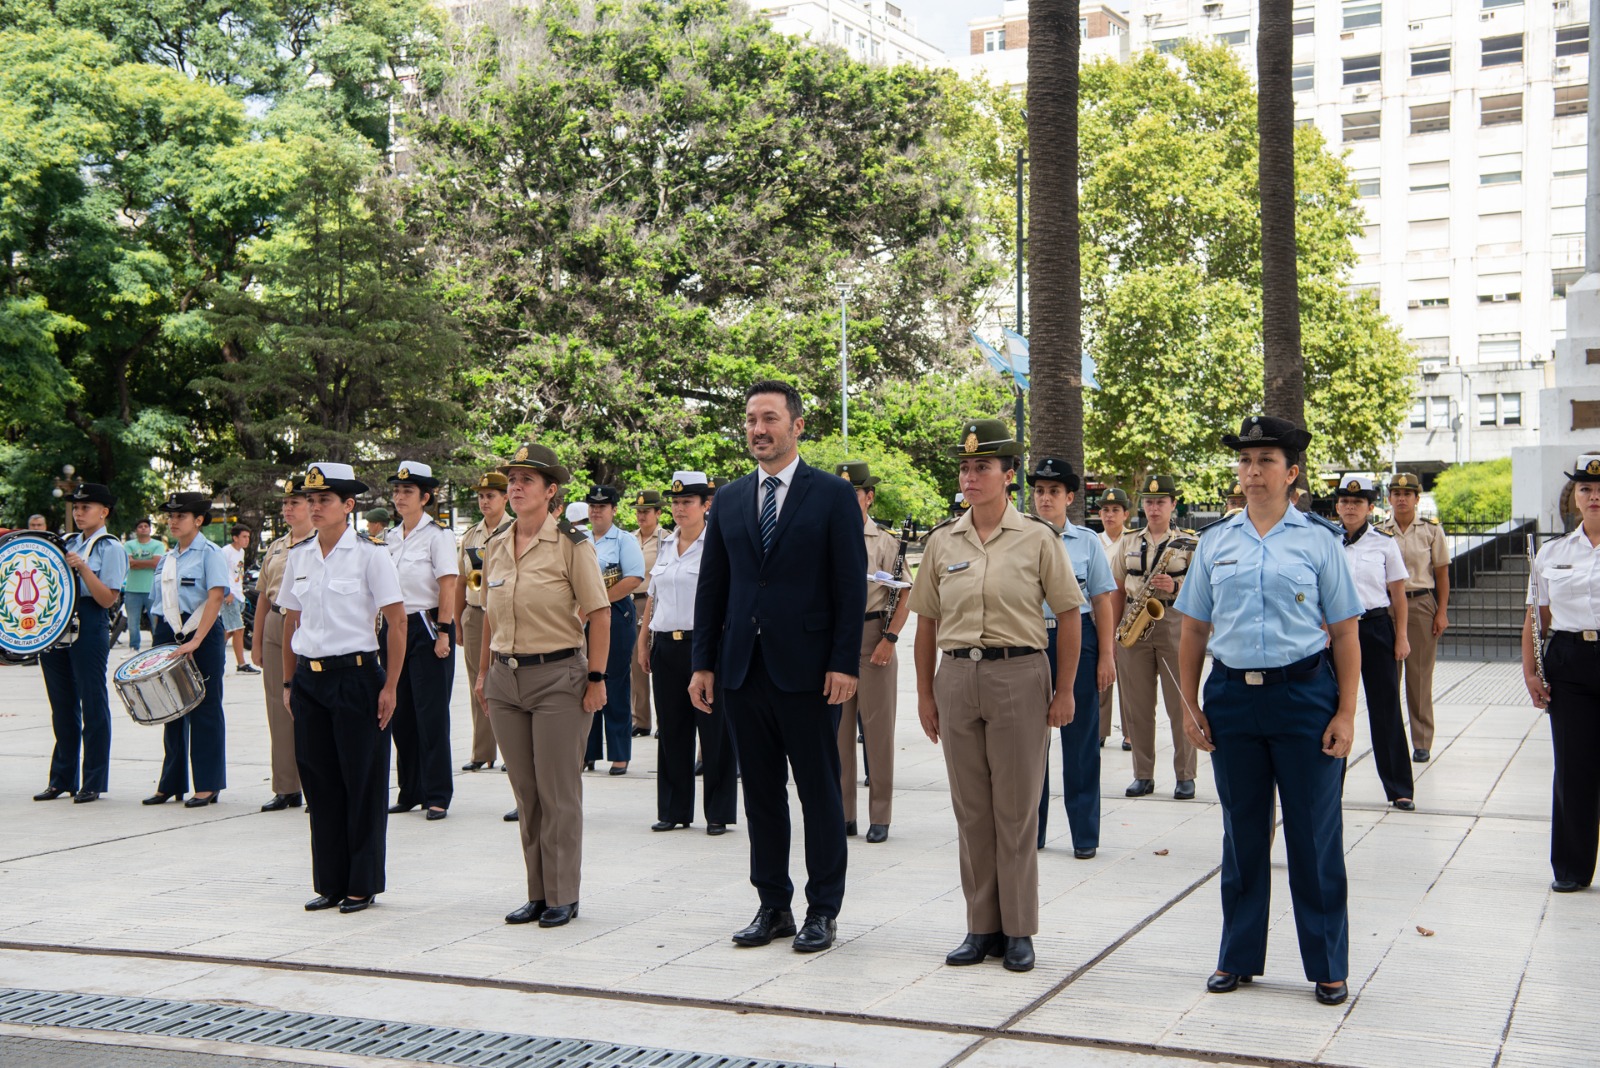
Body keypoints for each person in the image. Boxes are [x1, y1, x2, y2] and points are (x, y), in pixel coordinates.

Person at [1174, 415, 1363, 1006]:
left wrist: (1346, 713)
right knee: (1243, 834)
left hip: (1304, 697)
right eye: (1246, 462)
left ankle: (1328, 965)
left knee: (1313, 835)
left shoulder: (1318, 542)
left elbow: (1346, 632)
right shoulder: (1215, 542)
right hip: (1231, 697)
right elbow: (1194, 628)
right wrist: (1190, 706)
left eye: (1266, 462)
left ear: (1292, 473)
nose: (1253, 472)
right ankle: (1237, 956)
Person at [691, 380, 867, 955]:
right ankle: (773, 905)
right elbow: (713, 587)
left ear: (796, 426)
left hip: (810, 671)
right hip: (743, 670)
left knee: (819, 793)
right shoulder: (733, 499)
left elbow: (848, 587)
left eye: (769, 418)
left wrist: (845, 661)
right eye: (749, 420)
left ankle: (823, 910)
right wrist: (704, 664)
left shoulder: (833, 497)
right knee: (761, 793)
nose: (757, 429)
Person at [909, 420, 1084, 973]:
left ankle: (1018, 930)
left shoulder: (1037, 538)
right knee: (971, 812)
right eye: (965, 468)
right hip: (958, 679)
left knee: (1015, 811)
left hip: (1019, 676)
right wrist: (925, 695)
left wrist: (1065, 689)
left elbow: (1070, 613)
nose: (970, 476)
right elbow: (928, 624)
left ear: (1008, 476)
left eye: (982, 466)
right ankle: (980, 926)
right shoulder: (942, 541)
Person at [476, 442, 610, 928]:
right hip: (505, 679)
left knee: (558, 792)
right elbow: (490, 612)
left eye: (526, 480)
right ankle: (536, 892)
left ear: (551, 491)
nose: (514, 486)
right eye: (512, 479)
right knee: (526, 793)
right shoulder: (494, 544)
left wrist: (596, 677)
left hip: (558, 677)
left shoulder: (572, 544)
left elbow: (598, 613)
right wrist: (483, 672)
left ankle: (563, 894)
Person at [278, 462, 407, 914]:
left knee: (363, 781)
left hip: (357, 677)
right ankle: (330, 881)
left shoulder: (371, 555)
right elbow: (292, 621)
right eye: (310, 500)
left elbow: (396, 621)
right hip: (311, 681)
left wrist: (390, 685)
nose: (314, 508)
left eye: (324, 500)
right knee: (320, 782)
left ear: (348, 506)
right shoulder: (300, 555)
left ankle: (362, 882)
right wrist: (289, 681)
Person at [638, 472, 737, 833]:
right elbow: (654, 595)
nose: (679, 509)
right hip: (666, 644)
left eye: (687, 502)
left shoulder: (718, 544)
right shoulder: (665, 545)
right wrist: (643, 639)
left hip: (704, 645)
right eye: (675, 503)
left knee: (714, 731)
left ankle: (718, 812)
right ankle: (674, 810)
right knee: (673, 729)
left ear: (706, 504)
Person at [1031, 458, 1117, 858]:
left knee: (1081, 741)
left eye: (1053, 492)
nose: (1045, 498)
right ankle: (1032, 832)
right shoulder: (1020, 537)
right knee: (1030, 743)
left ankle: (1085, 835)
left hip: (1079, 640)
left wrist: (1106, 655)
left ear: (1070, 498)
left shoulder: (1087, 542)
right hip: (1030, 640)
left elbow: (1102, 599)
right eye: (1039, 491)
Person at [1523, 454, 1600, 893]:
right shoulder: (1552, 553)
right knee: (1573, 768)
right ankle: (1572, 868)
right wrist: (1531, 673)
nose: (1594, 496)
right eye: (1586, 489)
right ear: (1574, 496)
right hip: (1569, 663)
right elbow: (1537, 617)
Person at [34, 484, 128, 804]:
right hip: (57, 621)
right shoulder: (68, 542)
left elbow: (106, 598)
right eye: (76, 507)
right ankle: (62, 778)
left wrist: (84, 568)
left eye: (86, 507)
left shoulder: (110, 547)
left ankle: (93, 780)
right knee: (61, 705)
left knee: (92, 701)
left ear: (104, 512)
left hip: (89, 620)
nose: (78, 512)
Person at [834, 461, 911, 844]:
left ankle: (880, 814)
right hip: (835, 644)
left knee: (878, 732)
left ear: (869, 496)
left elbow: (904, 595)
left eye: (855, 494)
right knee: (838, 734)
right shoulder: (824, 537)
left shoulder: (885, 541)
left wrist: (891, 639)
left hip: (873, 637)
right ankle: (844, 813)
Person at [1112, 475, 1199, 799]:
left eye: (1161, 501)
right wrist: (1115, 633)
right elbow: (1117, 588)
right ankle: (1143, 775)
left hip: (1173, 620)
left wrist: (1175, 587)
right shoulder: (1129, 540)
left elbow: (1203, 589)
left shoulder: (1189, 542)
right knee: (1137, 704)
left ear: (1173, 504)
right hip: (1135, 621)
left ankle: (1185, 775)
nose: (1154, 507)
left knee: (1181, 702)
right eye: (1149, 502)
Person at [1333, 477, 1415, 811]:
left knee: (1386, 709)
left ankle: (1399, 787)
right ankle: (1329, 787)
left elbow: (1398, 595)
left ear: (1370, 507)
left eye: (1358, 503)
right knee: (1333, 708)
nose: (1350, 508)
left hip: (1375, 627)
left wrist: (1402, 636)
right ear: (1337, 506)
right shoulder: (1326, 541)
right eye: (1345, 502)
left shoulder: (1384, 543)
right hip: (1336, 632)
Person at [144, 492, 231, 807]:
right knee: (171, 710)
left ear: (198, 520)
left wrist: (195, 640)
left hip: (202, 635)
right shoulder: (168, 558)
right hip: (168, 633)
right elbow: (160, 604)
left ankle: (207, 784)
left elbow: (216, 596)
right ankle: (171, 783)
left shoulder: (211, 553)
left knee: (205, 709)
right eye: (171, 516)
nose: (173, 521)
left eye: (180, 516)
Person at [383, 461, 459, 821]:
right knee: (401, 713)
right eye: (397, 491)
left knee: (430, 714)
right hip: (395, 626)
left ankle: (437, 793)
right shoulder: (389, 537)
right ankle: (409, 789)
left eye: (408, 491)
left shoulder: (438, 535)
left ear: (425, 497)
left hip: (429, 624)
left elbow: (448, 584)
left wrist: (444, 631)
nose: (400, 497)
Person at [251, 476, 316, 812]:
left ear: (311, 506)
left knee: (307, 707)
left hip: (307, 623)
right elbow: (264, 595)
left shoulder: (320, 543)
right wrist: (258, 641)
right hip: (277, 622)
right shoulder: (278, 546)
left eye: (296, 502)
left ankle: (314, 784)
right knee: (278, 708)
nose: (289, 508)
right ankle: (286, 786)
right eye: (286, 503)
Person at [1376, 473, 1449, 763]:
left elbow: (1442, 574)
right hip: (1387, 608)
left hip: (1420, 605)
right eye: (1396, 494)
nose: (1402, 499)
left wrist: (1442, 611)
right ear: (1390, 499)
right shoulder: (1380, 532)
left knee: (1419, 679)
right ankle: (1391, 739)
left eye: (1407, 494)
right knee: (1388, 678)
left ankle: (1421, 741)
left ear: (1417, 499)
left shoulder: (1431, 531)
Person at [582, 484, 644, 775]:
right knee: (584, 682)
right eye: (592, 506)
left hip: (616, 614)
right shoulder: (579, 539)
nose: (596, 511)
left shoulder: (624, 540)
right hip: (583, 617)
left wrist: (599, 600)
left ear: (614, 509)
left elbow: (634, 578)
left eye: (602, 506)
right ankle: (587, 751)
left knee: (615, 681)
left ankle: (619, 754)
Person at [457, 472, 515, 772]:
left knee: (505, 684)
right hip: (476, 614)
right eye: (480, 496)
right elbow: (462, 580)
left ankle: (510, 752)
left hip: (505, 617)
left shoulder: (515, 530)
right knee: (476, 683)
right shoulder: (471, 536)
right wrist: (457, 621)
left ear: (505, 497)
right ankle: (482, 751)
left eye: (490, 495)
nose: (484, 501)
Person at [1097, 487, 1132, 750]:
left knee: (1131, 679)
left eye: (1115, 510)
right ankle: (1099, 729)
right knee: (1101, 675)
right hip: (1099, 615)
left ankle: (1131, 732)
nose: (1110, 515)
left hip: (1128, 617)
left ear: (1126, 514)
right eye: (1106, 510)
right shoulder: (1093, 541)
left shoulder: (1132, 541)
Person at [631, 489, 667, 738]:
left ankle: (664, 719)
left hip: (657, 602)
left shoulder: (667, 539)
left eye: (646, 511)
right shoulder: (629, 539)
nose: (642, 516)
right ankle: (641, 720)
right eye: (639, 511)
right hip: (633, 601)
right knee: (636, 662)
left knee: (662, 663)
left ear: (658, 513)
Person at [121, 518, 164, 652]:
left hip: (152, 589)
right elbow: (129, 563)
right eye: (140, 526)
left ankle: (157, 646)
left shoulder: (158, 545)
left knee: (155, 620)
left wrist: (137, 562)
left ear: (150, 529)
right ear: (136, 530)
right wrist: (148, 562)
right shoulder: (128, 545)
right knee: (133, 622)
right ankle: (134, 647)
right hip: (132, 589)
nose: (143, 528)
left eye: (146, 526)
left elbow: (156, 563)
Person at [222, 524, 259, 675]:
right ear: (235, 537)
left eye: (248, 537)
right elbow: (220, 572)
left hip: (239, 595)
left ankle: (212, 652)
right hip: (230, 596)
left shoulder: (241, 552)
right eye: (244, 537)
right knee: (238, 629)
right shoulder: (226, 552)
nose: (247, 540)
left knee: (230, 630)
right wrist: (227, 592)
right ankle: (241, 664)